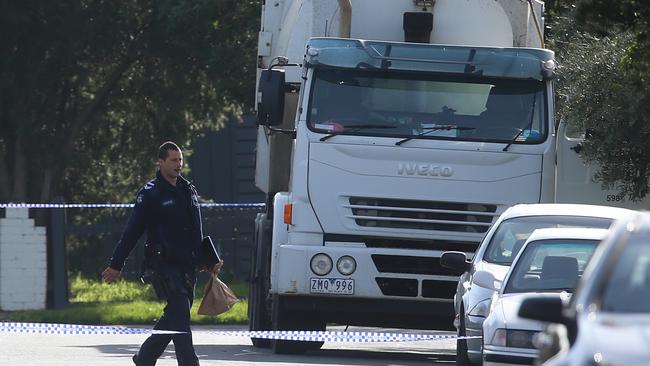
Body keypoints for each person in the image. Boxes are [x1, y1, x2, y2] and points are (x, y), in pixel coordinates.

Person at [102, 141, 220, 366]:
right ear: (161, 162)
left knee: (175, 317)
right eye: (174, 160)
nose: (179, 164)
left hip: (188, 266)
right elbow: (132, 231)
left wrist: (206, 259)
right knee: (180, 315)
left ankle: (145, 357)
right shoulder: (151, 193)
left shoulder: (188, 190)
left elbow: (196, 229)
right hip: (163, 265)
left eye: (181, 160)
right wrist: (116, 264)